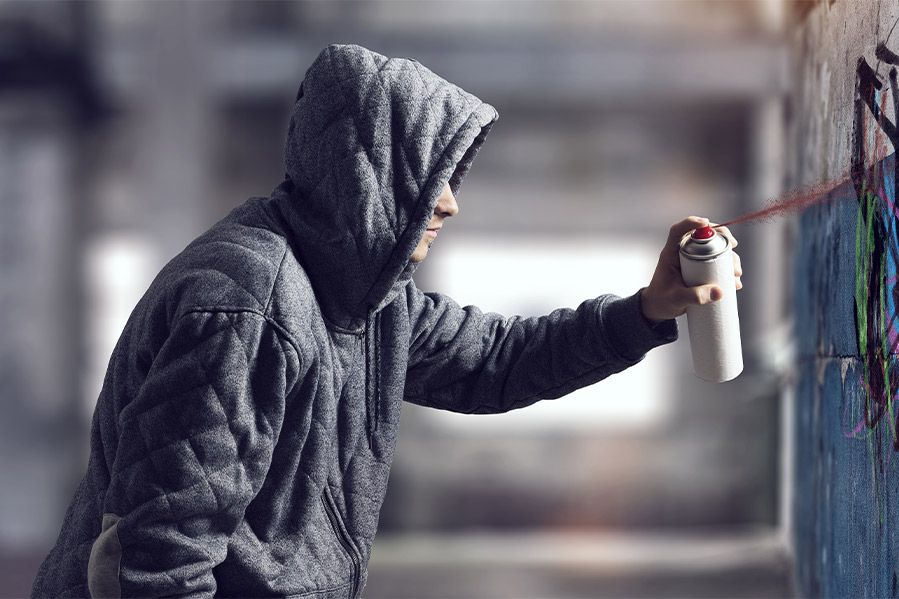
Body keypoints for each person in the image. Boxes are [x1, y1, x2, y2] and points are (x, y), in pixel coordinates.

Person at [31, 43, 742, 598]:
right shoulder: (246, 308)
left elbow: (496, 359)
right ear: (364, 172)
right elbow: (155, 560)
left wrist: (649, 309)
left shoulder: (363, 295)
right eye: (431, 178)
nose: (449, 205)